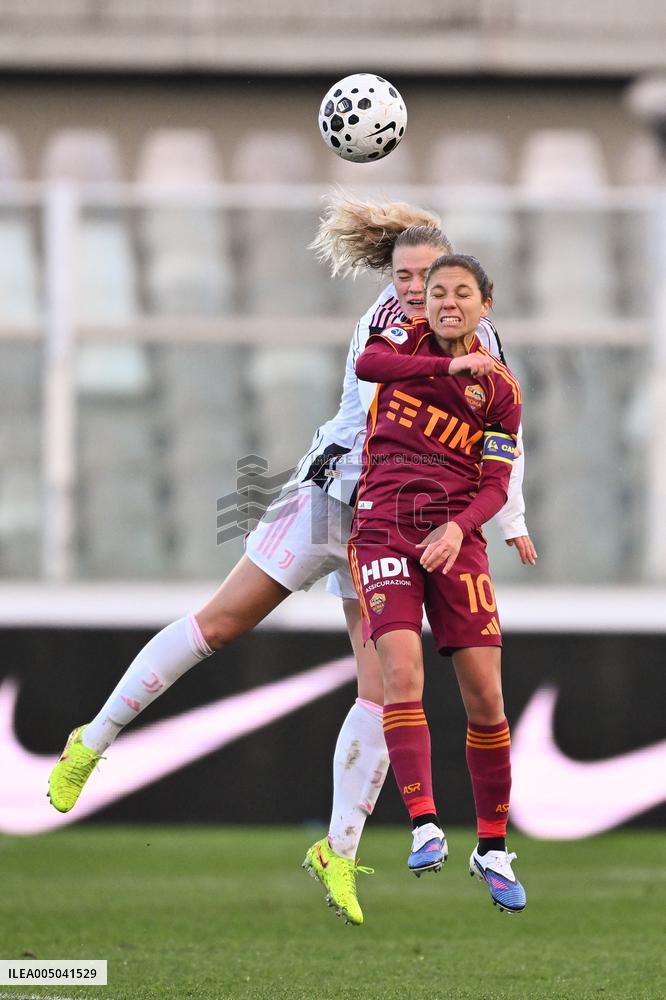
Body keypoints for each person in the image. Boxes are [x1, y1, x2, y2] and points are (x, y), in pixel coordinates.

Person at [47, 196, 533, 925]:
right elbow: (385, 380)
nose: (416, 289)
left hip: (395, 523)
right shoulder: (386, 324)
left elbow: (501, 433)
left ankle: (338, 852)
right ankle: (92, 740)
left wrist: (509, 516)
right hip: (331, 499)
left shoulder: (480, 341)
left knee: (383, 686)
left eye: (429, 278)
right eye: (404, 276)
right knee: (221, 623)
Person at [346, 252, 527, 914]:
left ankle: (492, 847)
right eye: (437, 291)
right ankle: (424, 824)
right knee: (401, 671)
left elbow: (496, 483)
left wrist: (460, 528)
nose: (447, 302)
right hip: (383, 528)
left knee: (486, 697)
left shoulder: (501, 391)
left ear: (486, 305)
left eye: (462, 293)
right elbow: (368, 365)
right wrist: (446, 366)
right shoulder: (403, 335)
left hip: (456, 539)